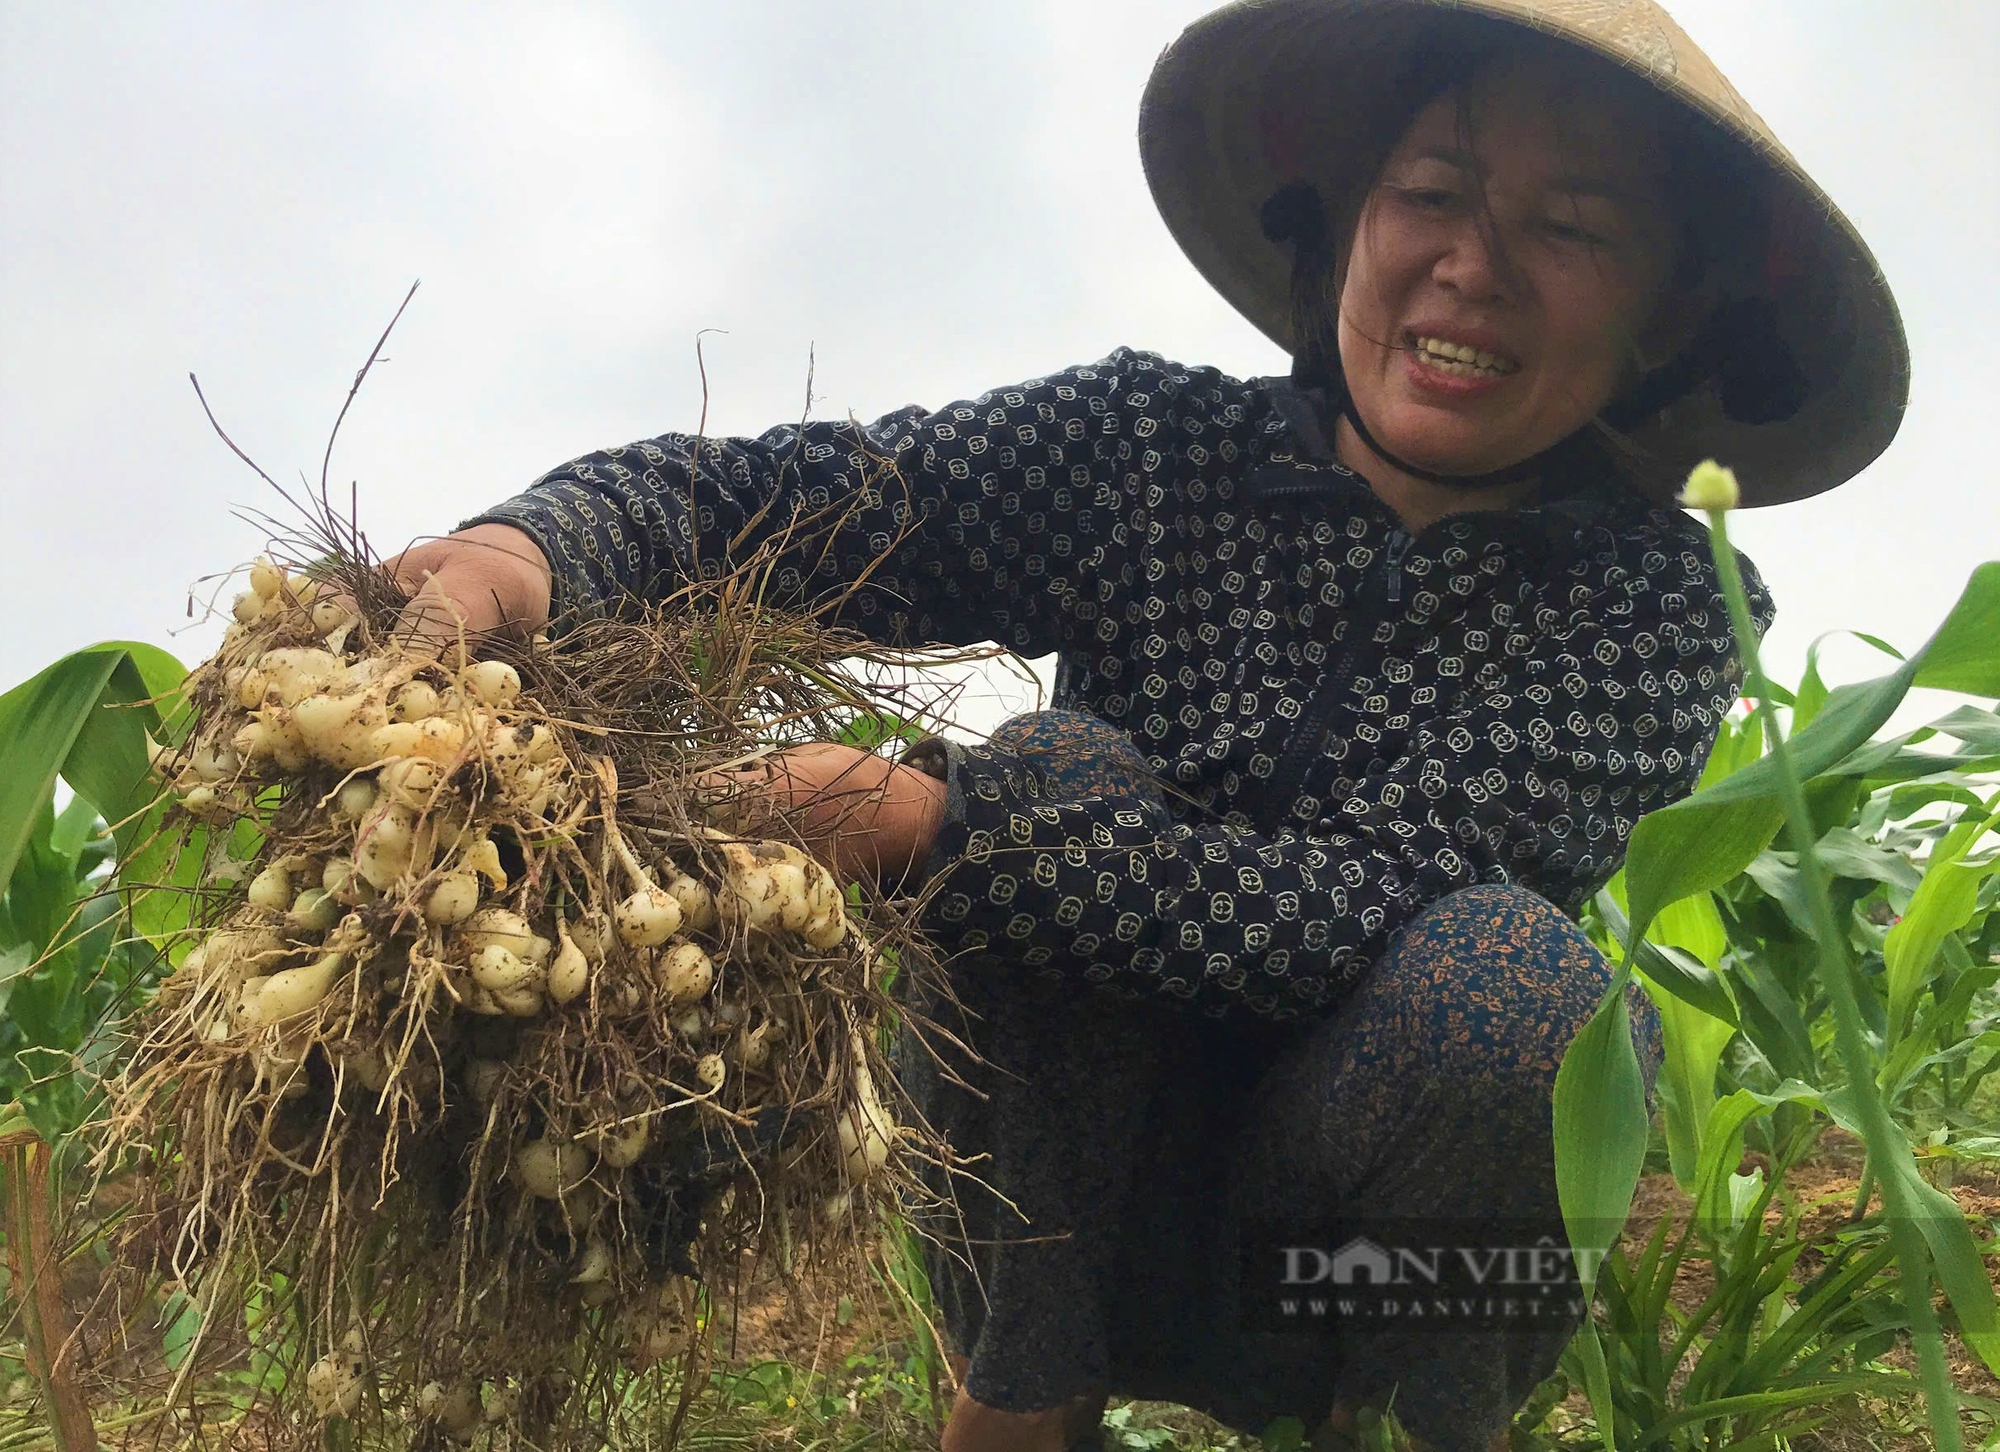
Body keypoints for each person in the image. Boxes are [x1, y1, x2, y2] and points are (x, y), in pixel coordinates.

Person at [374, 2, 1907, 1448]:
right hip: (1050, 1217)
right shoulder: (1151, 450)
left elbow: (1356, 904)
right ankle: (1018, 1402)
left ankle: (1409, 1432)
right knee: (1057, 769)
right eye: (1432, 193)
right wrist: (543, 547)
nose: (1471, 267)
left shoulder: (1661, 599)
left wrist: (932, 828)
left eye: (1569, 230)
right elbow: (806, 501)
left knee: (1536, 1000)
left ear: (1663, 325)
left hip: (1330, 1286)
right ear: (1344, 225)